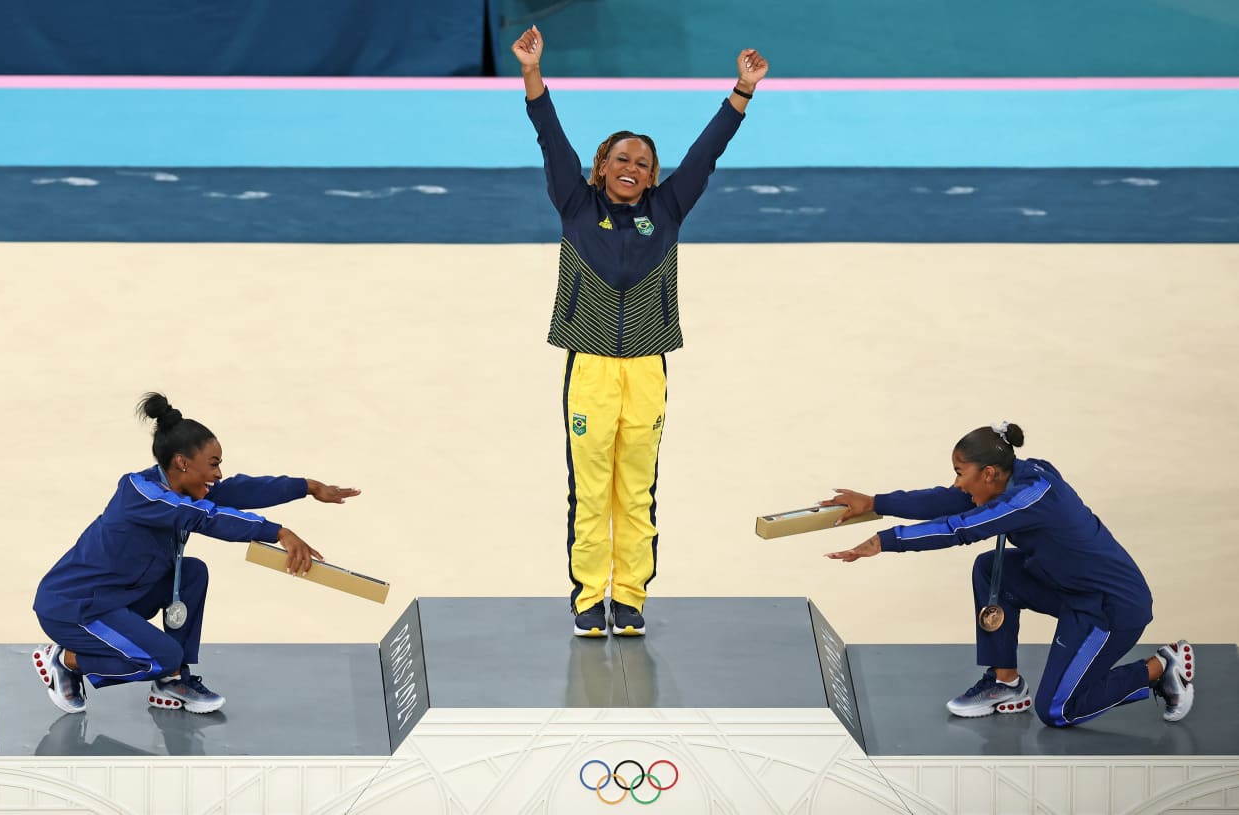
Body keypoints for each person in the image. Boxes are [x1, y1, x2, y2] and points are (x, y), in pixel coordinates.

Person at [510, 25, 768, 638]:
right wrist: (531, 74)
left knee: (637, 490)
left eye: (642, 163)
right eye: (621, 159)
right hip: (591, 368)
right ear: (600, 168)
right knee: (591, 487)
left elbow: (706, 154)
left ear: (653, 179)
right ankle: (585, 599)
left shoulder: (669, 210)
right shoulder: (575, 203)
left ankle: (628, 598)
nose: (631, 167)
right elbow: (551, 140)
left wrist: (742, 91)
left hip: (648, 366)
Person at [821, 422, 1195, 726]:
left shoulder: (1030, 496)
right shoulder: (1007, 478)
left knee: (1057, 711)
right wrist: (875, 503)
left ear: (987, 473)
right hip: (1066, 587)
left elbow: (958, 528)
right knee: (991, 569)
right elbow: (948, 500)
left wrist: (885, 541)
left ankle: (1160, 667)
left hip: (1110, 608)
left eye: (959, 472)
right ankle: (1005, 683)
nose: (956, 482)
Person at [31, 392, 360, 715]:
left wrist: (308, 487)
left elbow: (241, 488)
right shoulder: (140, 492)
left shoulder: (185, 486)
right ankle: (65, 660)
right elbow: (204, 517)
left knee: (192, 573)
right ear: (181, 463)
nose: (218, 474)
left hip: (118, 596)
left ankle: (172, 681)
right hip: (75, 607)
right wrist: (279, 532)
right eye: (213, 464)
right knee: (162, 657)